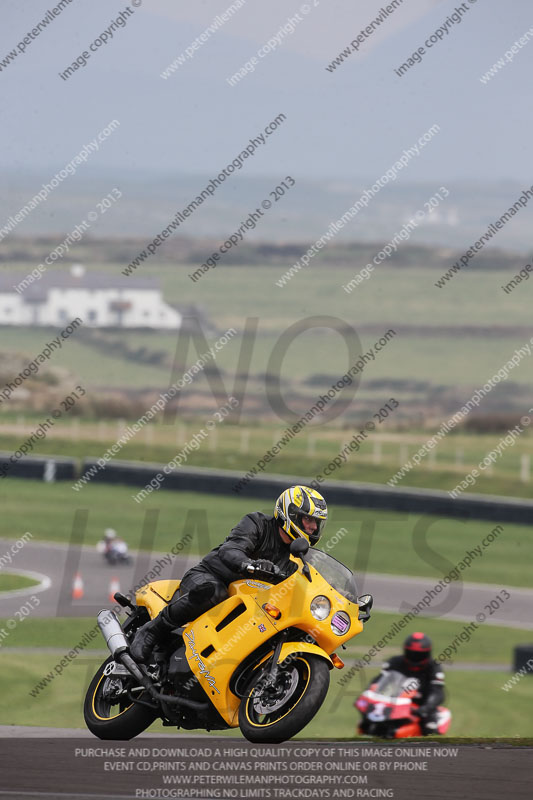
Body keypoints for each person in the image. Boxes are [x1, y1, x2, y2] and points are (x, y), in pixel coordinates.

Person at [130, 485, 328, 663]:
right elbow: (231, 550)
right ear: (290, 513)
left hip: (248, 604)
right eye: (308, 519)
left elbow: (306, 586)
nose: (313, 527)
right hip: (209, 577)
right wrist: (250, 564)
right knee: (215, 593)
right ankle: (152, 630)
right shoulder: (257, 523)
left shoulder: (297, 557)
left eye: (317, 522)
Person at [364, 632, 445, 735]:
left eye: (419, 655)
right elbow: (378, 681)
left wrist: (426, 707)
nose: (415, 657)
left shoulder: (433, 667)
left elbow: (437, 691)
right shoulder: (395, 662)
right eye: (412, 654)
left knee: (430, 728)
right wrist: (370, 694)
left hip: (421, 706)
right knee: (366, 723)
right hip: (394, 703)